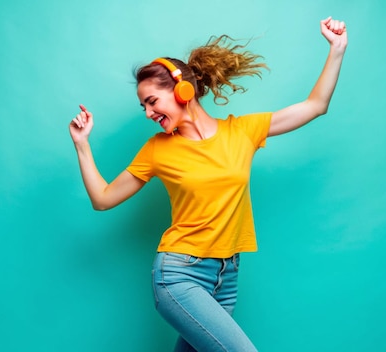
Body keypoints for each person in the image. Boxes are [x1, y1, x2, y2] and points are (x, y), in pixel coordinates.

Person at [69, 16, 347, 352]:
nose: (147, 113)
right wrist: (82, 145)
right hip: (179, 275)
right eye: (143, 105)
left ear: (181, 88)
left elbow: (315, 106)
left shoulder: (241, 132)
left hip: (226, 278)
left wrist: (337, 48)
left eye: (152, 101)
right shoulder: (158, 148)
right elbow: (102, 198)